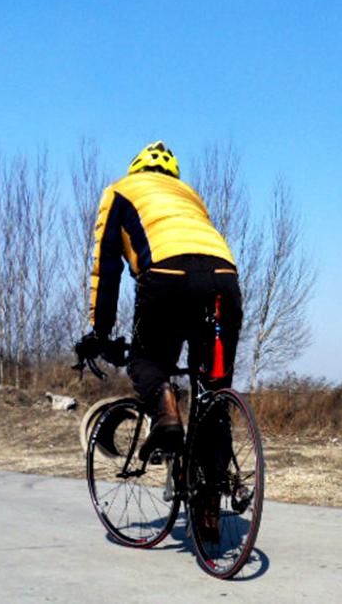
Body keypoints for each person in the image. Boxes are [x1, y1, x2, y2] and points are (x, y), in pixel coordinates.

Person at [75, 141, 242, 526]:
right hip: (224, 282)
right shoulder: (190, 196)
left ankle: (166, 411)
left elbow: (107, 269)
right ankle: (208, 509)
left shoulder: (120, 191)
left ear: (136, 170)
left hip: (166, 278)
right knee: (213, 394)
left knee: (146, 361)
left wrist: (100, 331)